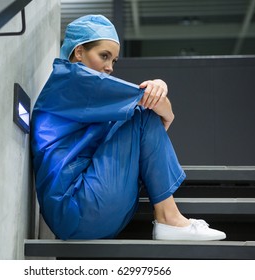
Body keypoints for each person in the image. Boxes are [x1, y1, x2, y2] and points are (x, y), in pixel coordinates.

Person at [30, 15, 226, 241]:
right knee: (141, 116)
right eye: (104, 56)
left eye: (114, 61)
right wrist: (160, 86)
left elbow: (152, 109)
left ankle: (168, 217)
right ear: (79, 51)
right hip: (76, 206)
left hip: (81, 212)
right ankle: (168, 217)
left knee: (139, 116)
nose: (109, 67)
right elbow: (156, 105)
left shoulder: (83, 91)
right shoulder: (72, 79)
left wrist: (158, 94)